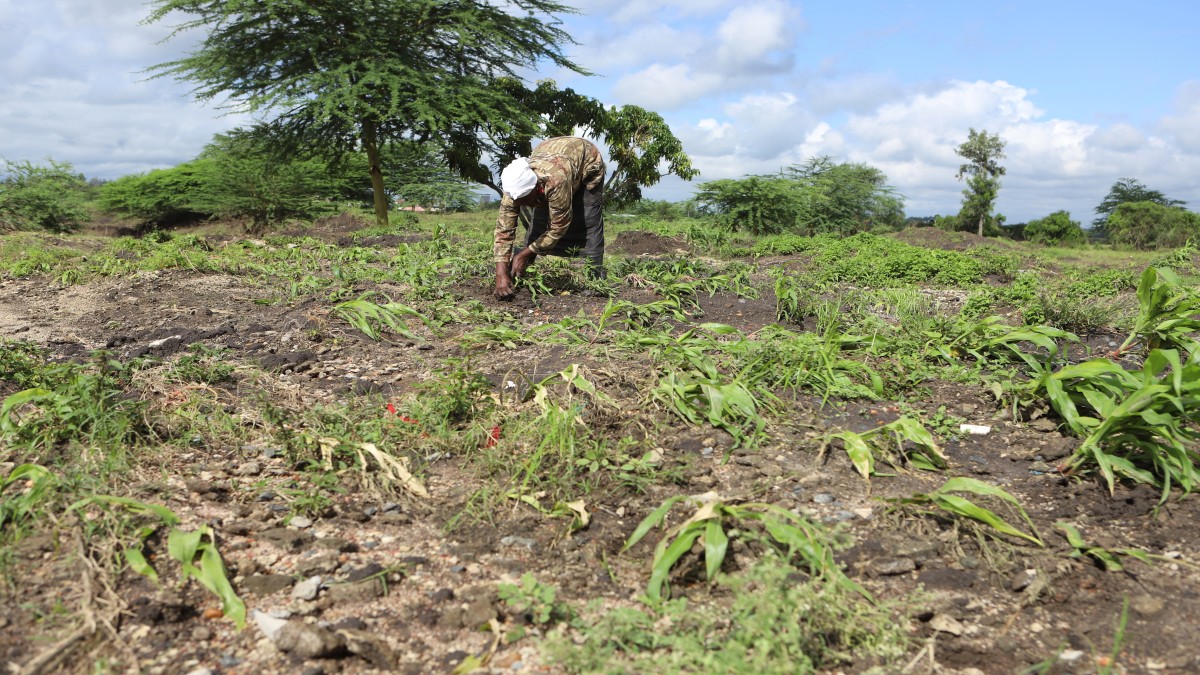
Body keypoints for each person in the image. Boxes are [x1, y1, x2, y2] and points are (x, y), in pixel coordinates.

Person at [493, 136, 606, 300]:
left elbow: (558, 227)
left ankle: (595, 280)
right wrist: (500, 273)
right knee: (538, 222)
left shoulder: (555, 181)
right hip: (549, 151)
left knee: (588, 220)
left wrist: (522, 254)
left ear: (537, 187)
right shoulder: (513, 191)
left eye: (526, 200)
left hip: (587, 161)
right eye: (519, 201)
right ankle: (520, 274)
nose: (523, 204)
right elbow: (504, 231)